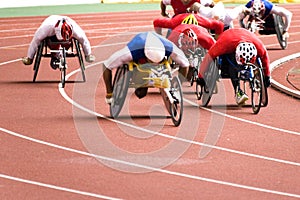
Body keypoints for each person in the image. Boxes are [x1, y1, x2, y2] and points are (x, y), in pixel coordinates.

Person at [103, 31, 190, 104]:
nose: (155, 64)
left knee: (142, 91)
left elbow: (185, 64)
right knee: (141, 93)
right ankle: (140, 81)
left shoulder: (169, 48)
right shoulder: (132, 51)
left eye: (158, 62)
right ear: (146, 56)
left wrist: (178, 88)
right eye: (152, 62)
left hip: (158, 45)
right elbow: (107, 66)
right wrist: (109, 94)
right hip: (139, 49)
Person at [197, 28, 271, 105]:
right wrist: (201, 77)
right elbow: (208, 58)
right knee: (231, 62)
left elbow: (265, 58)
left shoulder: (259, 46)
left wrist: (267, 75)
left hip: (247, 36)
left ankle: (251, 74)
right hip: (228, 39)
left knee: (258, 60)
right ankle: (237, 90)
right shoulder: (223, 46)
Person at [22, 15, 95, 69]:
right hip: (52, 35)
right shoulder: (46, 28)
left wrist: (88, 54)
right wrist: (30, 58)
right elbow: (35, 41)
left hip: (67, 38)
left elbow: (84, 40)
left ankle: (59, 53)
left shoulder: (75, 29)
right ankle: (55, 55)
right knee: (51, 41)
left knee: (69, 42)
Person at [153, 12, 224, 37]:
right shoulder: (173, 23)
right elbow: (156, 22)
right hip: (179, 20)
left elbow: (220, 24)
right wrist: (160, 36)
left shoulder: (205, 23)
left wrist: (216, 39)